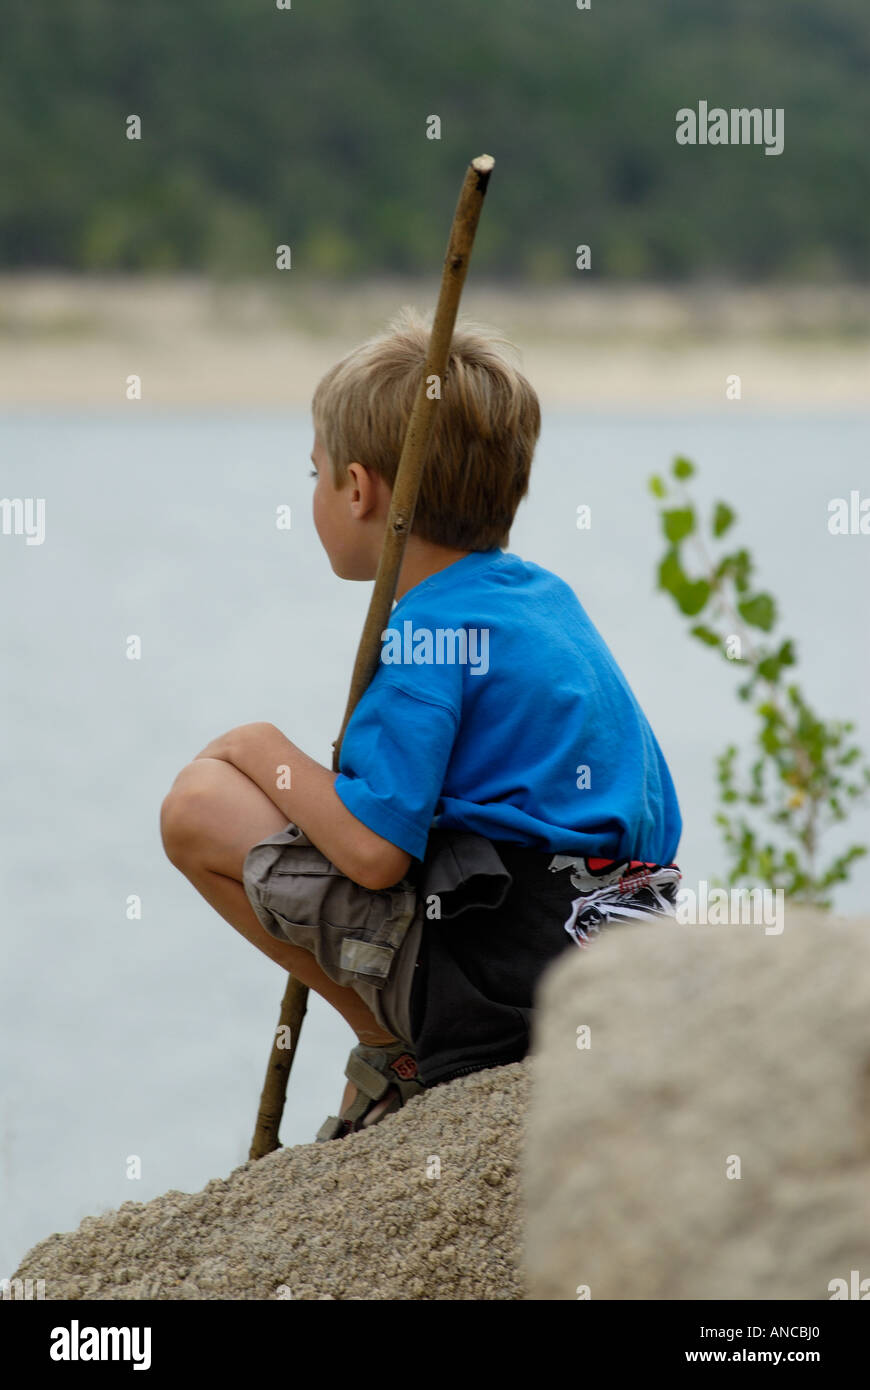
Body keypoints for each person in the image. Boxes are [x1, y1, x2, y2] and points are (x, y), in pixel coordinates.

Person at [160, 306, 682, 1141]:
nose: (316, 492)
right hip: (618, 947)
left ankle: (394, 1047)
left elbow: (373, 855)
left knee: (197, 804)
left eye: (316, 472)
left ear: (361, 490)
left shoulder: (426, 633)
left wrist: (262, 748)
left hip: (504, 990)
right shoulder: (543, 600)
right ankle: (400, 1038)